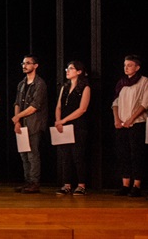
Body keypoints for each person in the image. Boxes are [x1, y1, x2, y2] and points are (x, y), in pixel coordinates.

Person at [111, 54, 148, 198]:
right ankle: (125, 184)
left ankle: (137, 186)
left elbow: (145, 103)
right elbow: (115, 102)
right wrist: (117, 119)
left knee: (136, 155)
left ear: (137, 67)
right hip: (121, 124)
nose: (126, 68)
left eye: (130, 65)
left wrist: (131, 119)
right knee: (123, 154)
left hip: (137, 123)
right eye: (125, 65)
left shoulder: (144, 81)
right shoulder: (122, 82)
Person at [12, 54, 48, 194]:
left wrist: (17, 117)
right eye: (23, 63)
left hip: (34, 124)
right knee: (24, 154)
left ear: (35, 66)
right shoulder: (21, 84)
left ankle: (34, 182)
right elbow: (17, 103)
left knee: (32, 154)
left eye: (28, 63)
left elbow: (34, 106)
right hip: (21, 124)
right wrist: (17, 121)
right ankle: (27, 181)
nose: (24, 65)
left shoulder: (40, 84)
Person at [54, 60, 91, 196]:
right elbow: (58, 106)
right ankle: (67, 184)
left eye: (71, 68)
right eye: (67, 69)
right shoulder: (64, 87)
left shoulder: (85, 88)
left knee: (78, 155)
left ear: (79, 72)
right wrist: (58, 120)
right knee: (65, 156)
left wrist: (64, 120)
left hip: (78, 126)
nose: (67, 71)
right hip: (63, 126)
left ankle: (81, 185)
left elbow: (82, 109)